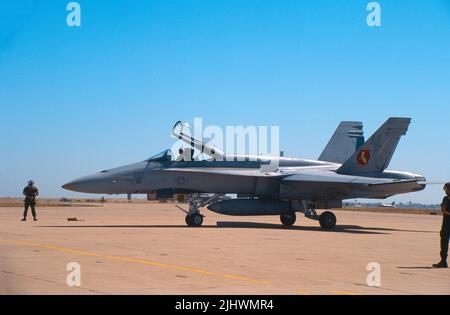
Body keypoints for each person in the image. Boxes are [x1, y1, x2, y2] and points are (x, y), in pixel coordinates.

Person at [433, 182, 450, 268]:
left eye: (446, 189)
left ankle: (443, 261)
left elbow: (444, 210)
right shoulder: (446, 198)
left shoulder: (446, 199)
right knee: (444, 242)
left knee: (444, 242)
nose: (445, 191)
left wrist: (444, 210)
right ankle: (443, 261)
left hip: (447, 224)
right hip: (446, 224)